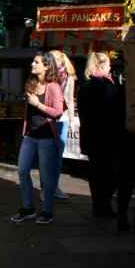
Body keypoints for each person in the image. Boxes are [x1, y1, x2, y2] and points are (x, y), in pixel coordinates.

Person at [10, 52, 64, 225]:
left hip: (46, 137)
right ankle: (28, 208)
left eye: (36, 62)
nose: (32, 64)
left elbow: (58, 112)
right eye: (33, 61)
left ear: (47, 66)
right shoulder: (31, 83)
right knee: (22, 170)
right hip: (30, 136)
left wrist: (38, 104)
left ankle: (47, 211)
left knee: (46, 177)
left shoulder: (54, 86)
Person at [77, 51, 127, 220]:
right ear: (100, 65)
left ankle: (99, 206)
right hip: (107, 137)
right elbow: (114, 111)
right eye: (108, 64)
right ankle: (103, 206)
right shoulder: (105, 85)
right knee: (109, 173)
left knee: (97, 174)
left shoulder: (86, 85)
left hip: (92, 137)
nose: (111, 67)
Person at [49, 50, 76, 200]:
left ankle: (54, 186)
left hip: (62, 118)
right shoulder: (48, 75)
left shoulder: (68, 76)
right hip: (48, 118)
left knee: (58, 155)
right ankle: (47, 187)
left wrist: (71, 120)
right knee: (47, 154)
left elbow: (70, 99)